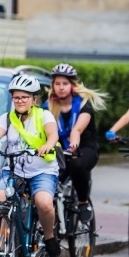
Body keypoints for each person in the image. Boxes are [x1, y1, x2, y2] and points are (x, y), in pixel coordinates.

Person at [0, 75, 61, 257]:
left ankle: (49, 236)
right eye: (16, 97)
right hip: (14, 170)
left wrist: (47, 145)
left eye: (24, 97)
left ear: (34, 99)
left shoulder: (44, 115)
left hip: (42, 171)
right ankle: (1, 246)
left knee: (44, 203)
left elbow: (53, 135)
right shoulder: (7, 118)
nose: (20, 101)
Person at [43, 63, 106, 222]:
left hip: (84, 148)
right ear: (53, 86)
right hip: (59, 151)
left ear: (72, 85)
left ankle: (83, 203)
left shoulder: (84, 104)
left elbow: (76, 130)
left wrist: (73, 146)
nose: (61, 87)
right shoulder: (48, 106)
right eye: (57, 84)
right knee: (48, 180)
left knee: (76, 164)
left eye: (65, 84)